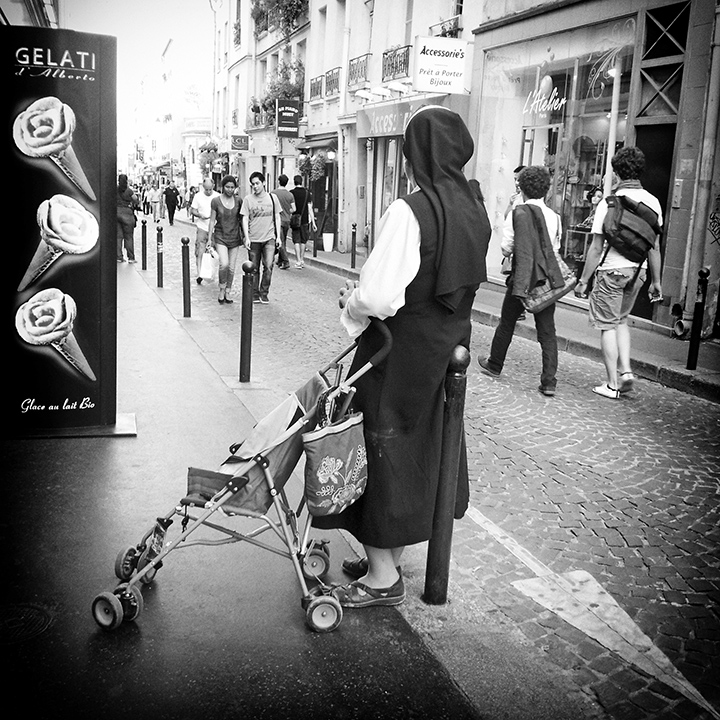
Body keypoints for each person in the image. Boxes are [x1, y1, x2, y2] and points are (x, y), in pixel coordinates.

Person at [313, 106, 491, 609]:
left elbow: (378, 297)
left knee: (379, 445)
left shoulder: (408, 211)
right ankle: (383, 553)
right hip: (445, 350)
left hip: (398, 351)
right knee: (419, 446)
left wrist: (352, 300)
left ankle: (383, 575)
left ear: (415, 154)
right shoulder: (475, 207)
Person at [575, 147, 663, 399]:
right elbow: (654, 246)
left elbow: (596, 247)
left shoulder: (609, 202)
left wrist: (583, 280)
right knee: (622, 320)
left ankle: (612, 384)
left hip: (611, 272)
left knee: (607, 326)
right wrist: (656, 281)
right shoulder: (653, 202)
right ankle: (626, 371)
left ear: (617, 173)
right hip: (638, 273)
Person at [477, 165, 562, 396]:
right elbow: (555, 248)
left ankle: (495, 364)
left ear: (522, 189)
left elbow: (506, 249)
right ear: (547, 189)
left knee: (507, 322)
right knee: (547, 331)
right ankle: (549, 381)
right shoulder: (555, 217)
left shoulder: (518, 213)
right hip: (544, 281)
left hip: (521, 278)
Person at [241, 172, 282, 303]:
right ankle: (254, 294)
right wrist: (246, 237)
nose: (255, 186)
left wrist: (278, 237)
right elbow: (245, 218)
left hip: (269, 237)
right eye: (253, 184)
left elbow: (277, 217)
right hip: (254, 238)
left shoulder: (272, 198)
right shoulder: (248, 199)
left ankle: (264, 292)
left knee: (269, 266)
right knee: (254, 268)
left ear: (263, 183)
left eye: (257, 183)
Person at [208, 175, 243, 304]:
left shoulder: (239, 201)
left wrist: (246, 236)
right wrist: (209, 238)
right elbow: (212, 220)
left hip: (234, 237)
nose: (229, 190)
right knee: (224, 264)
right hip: (220, 236)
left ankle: (228, 291)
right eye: (227, 187)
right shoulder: (216, 201)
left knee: (232, 268)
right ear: (223, 187)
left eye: (232, 187)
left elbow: (242, 220)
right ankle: (222, 288)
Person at [190, 178, 219, 284]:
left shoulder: (217, 196)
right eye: (206, 189)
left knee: (214, 252)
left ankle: (211, 272)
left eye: (210, 189)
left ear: (213, 186)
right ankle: (199, 274)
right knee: (200, 250)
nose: (208, 191)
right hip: (202, 226)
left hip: (215, 227)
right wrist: (199, 214)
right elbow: (193, 209)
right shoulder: (198, 196)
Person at [289, 175, 317, 268]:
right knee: (303, 241)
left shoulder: (291, 193)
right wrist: (313, 222)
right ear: (302, 182)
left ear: (294, 182)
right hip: (305, 220)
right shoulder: (307, 193)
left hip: (295, 220)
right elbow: (310, 209)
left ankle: (297, 261)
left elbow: (290, 207)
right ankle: (302, 259)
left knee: (296, 240)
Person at [271, 174, 295, 270]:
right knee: (283, 240)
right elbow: (294, 208)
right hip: (287, 220)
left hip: (278, 221)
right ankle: (280, 260)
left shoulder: (273, 193)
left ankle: (285, 261)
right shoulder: (290, 194)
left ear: (278, 181)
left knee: (280, 242)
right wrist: (287, 212)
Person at [116, 173, 139, 263]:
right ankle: (131, 257)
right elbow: (136, 200)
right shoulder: (129, 191)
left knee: (118, 237)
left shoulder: (115, 189)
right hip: (127, 214)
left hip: (116, 213)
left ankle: (119, 257)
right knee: (129, 237)